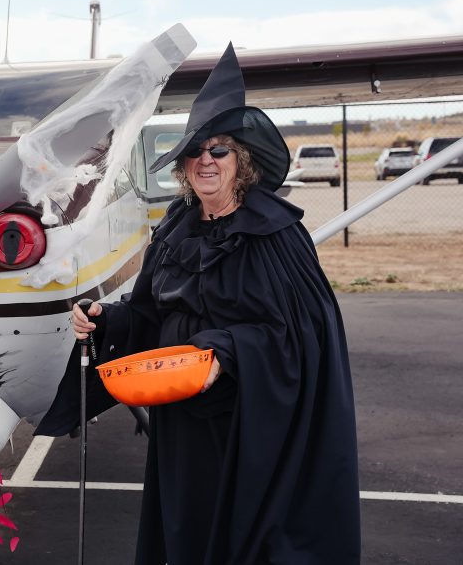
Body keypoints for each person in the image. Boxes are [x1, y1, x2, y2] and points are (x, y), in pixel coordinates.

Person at [36, 44, 360, 564]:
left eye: (219, 150)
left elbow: (302, 335)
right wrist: (107, 319)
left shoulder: (275, 233)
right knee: (187, 527)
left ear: (241, 161)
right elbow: (151, 312)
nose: (206, 160)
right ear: (183, 165)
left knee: (242, 537)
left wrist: (226, 352)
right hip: (181, 413)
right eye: (195, 151)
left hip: (249, 421)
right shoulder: (175, 228)